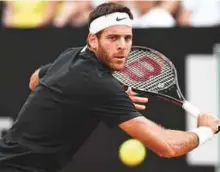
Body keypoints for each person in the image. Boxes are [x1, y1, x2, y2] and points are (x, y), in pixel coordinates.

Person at [0, 2, 219, 172]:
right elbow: (166, 146)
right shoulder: (99, 85)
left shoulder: (71, 56)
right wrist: (205, 131)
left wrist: (79, 100)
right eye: (113, 38)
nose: (122, 46)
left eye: (127, 38)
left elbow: (34, 81)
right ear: (93, 40)